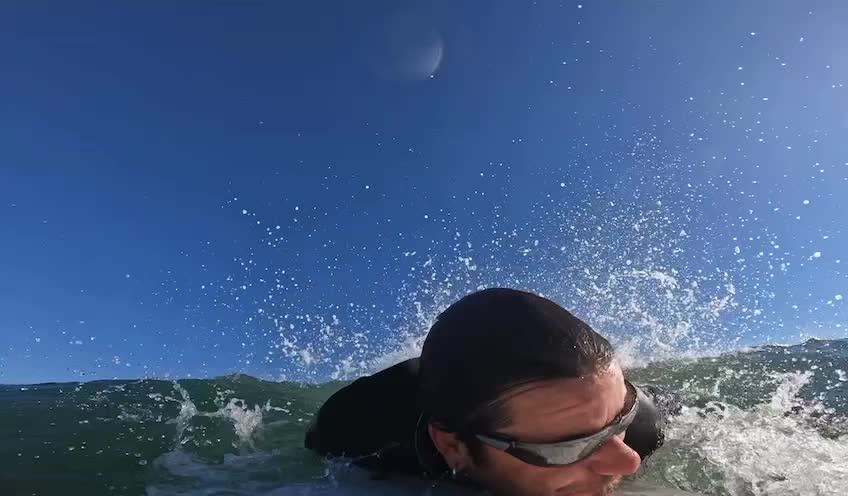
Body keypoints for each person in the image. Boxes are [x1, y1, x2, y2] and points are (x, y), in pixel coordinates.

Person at [304, 288, 677, 496]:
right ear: (453, 447)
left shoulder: (644, 425)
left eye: (619, 419)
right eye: (570, 446)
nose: (628, 462)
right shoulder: (354, 429)